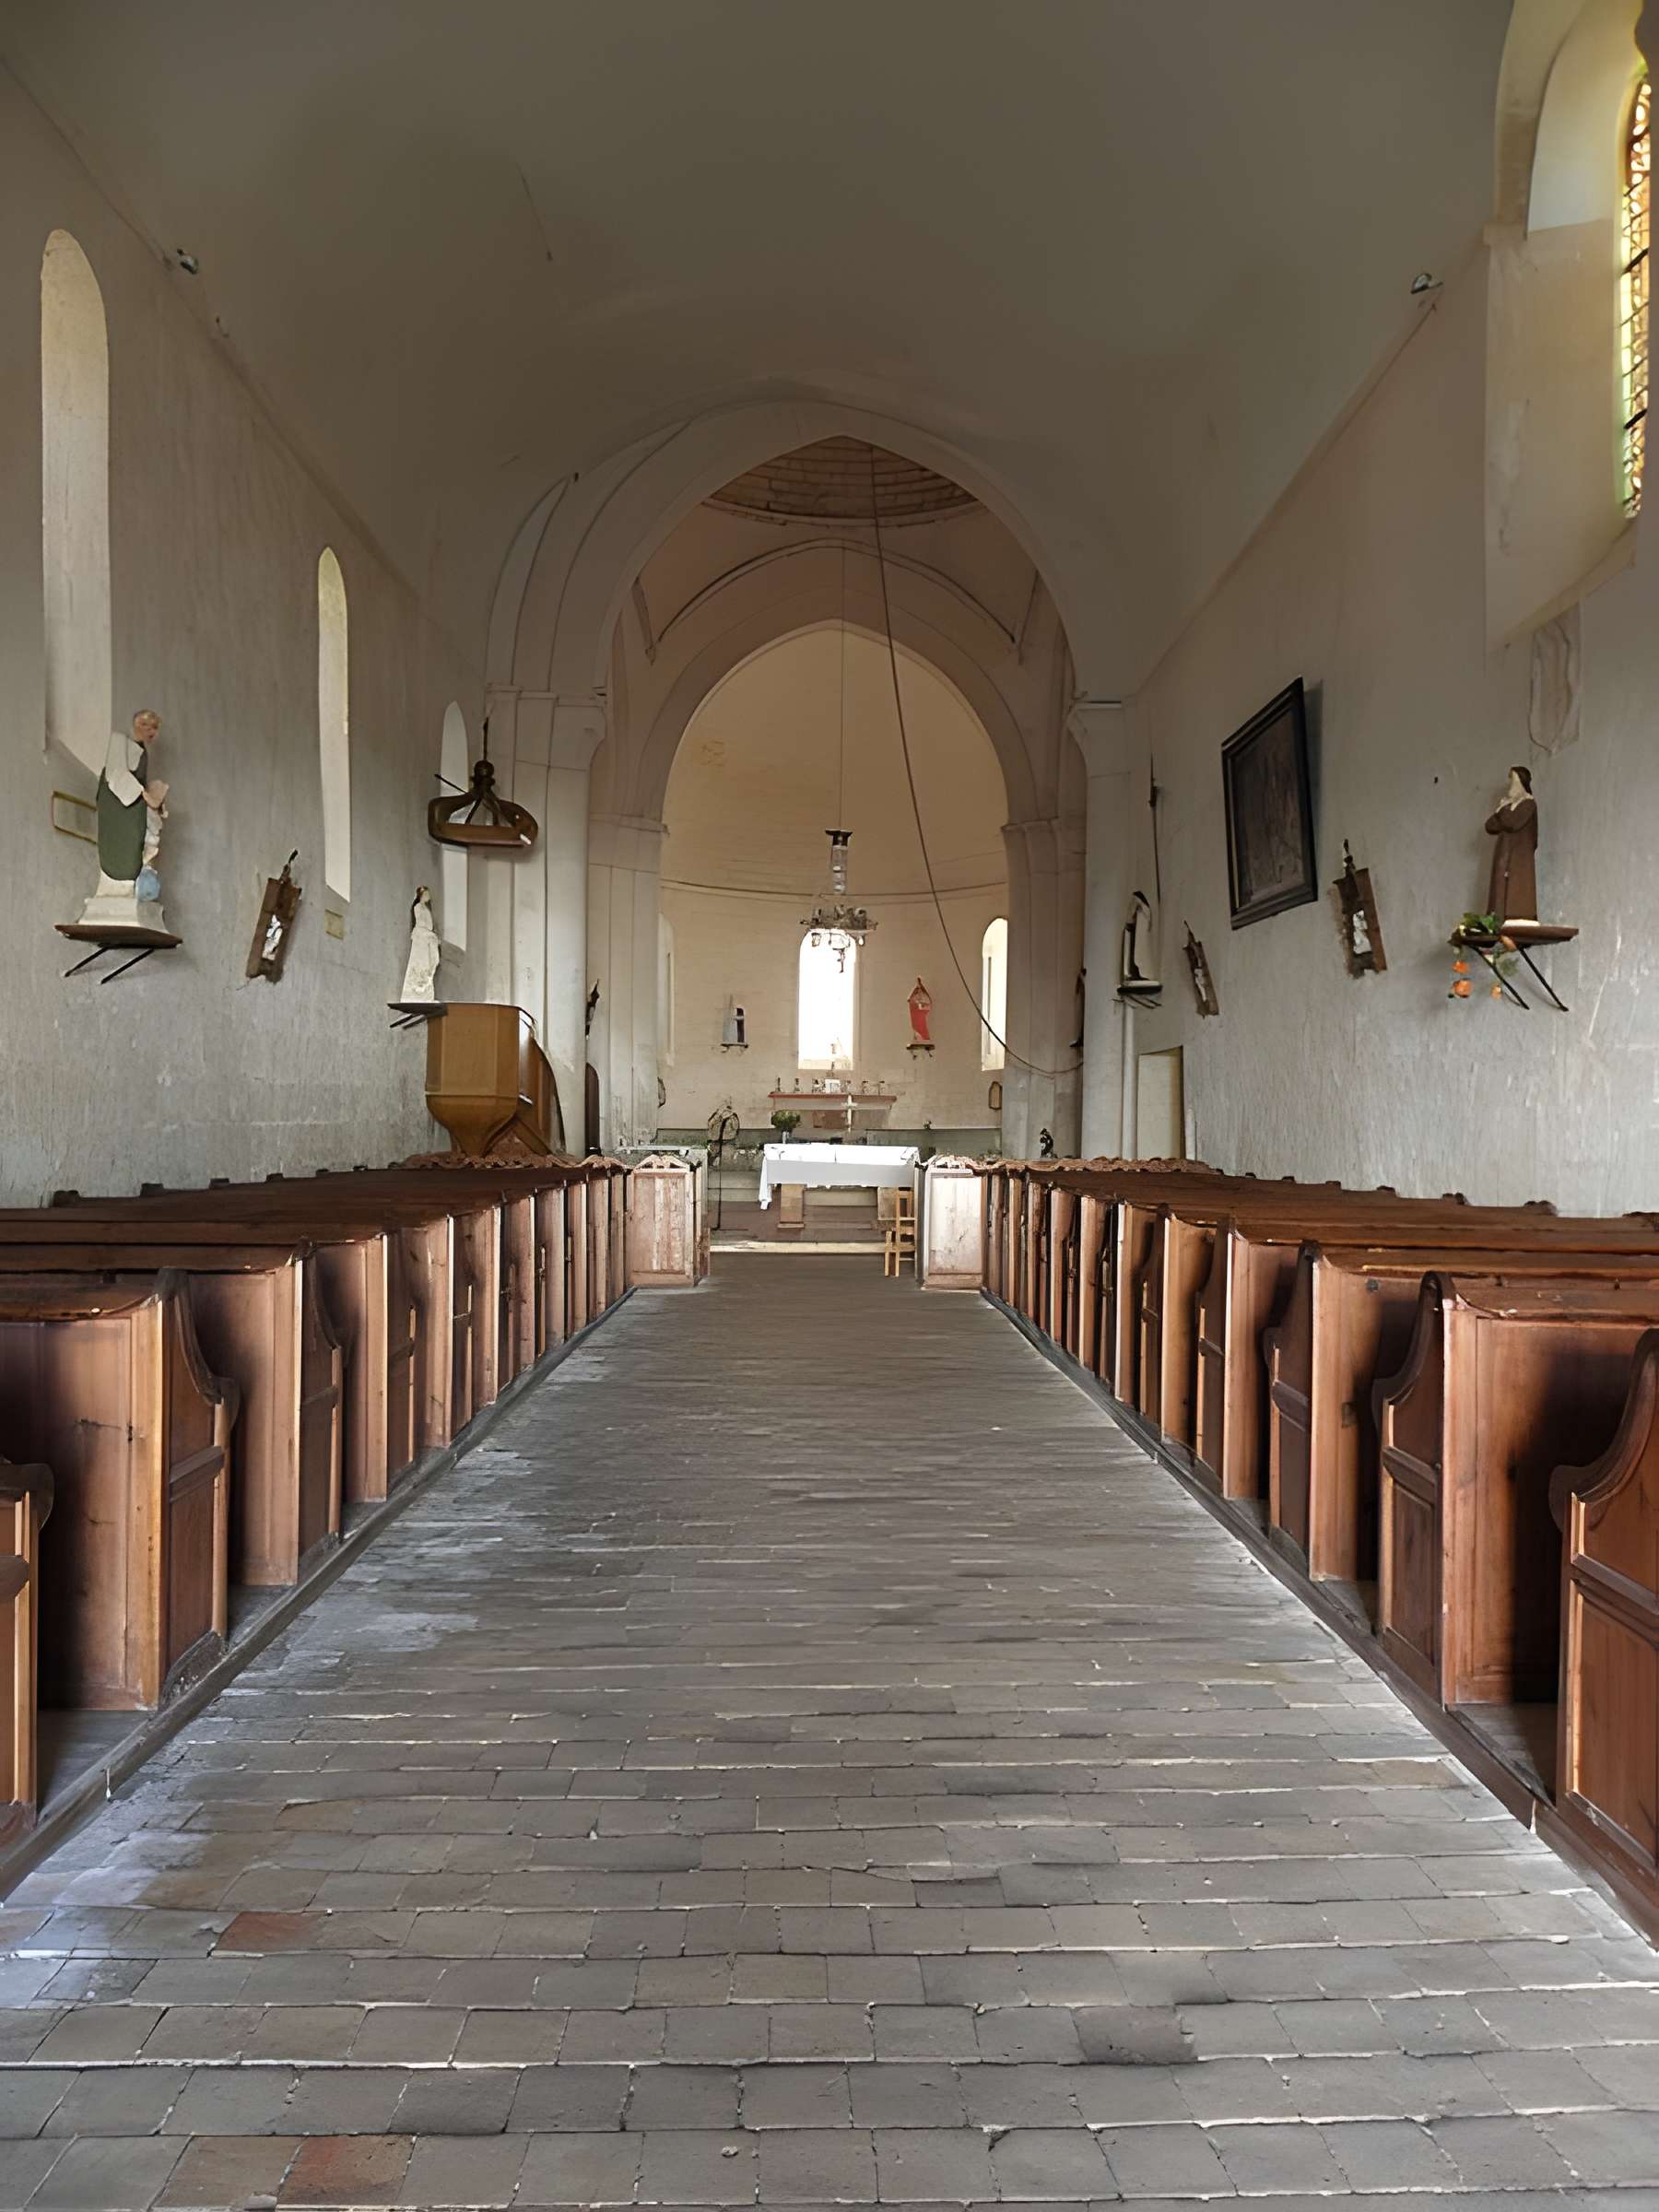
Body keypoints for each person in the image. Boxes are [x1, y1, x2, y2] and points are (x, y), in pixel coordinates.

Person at [1485, 765, 1538, 924]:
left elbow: (1513, 823)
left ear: (1522, 784)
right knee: (1500, 887)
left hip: (1519, 857)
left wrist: (1503, 810)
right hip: (1505, 853)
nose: (1511, 786)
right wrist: (1503, 809)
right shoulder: (1509, 807)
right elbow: (1490, 826)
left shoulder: (1528, 804)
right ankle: (1498, 917)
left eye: (1514, 782)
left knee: (1516, 889)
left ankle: (1517, 916)